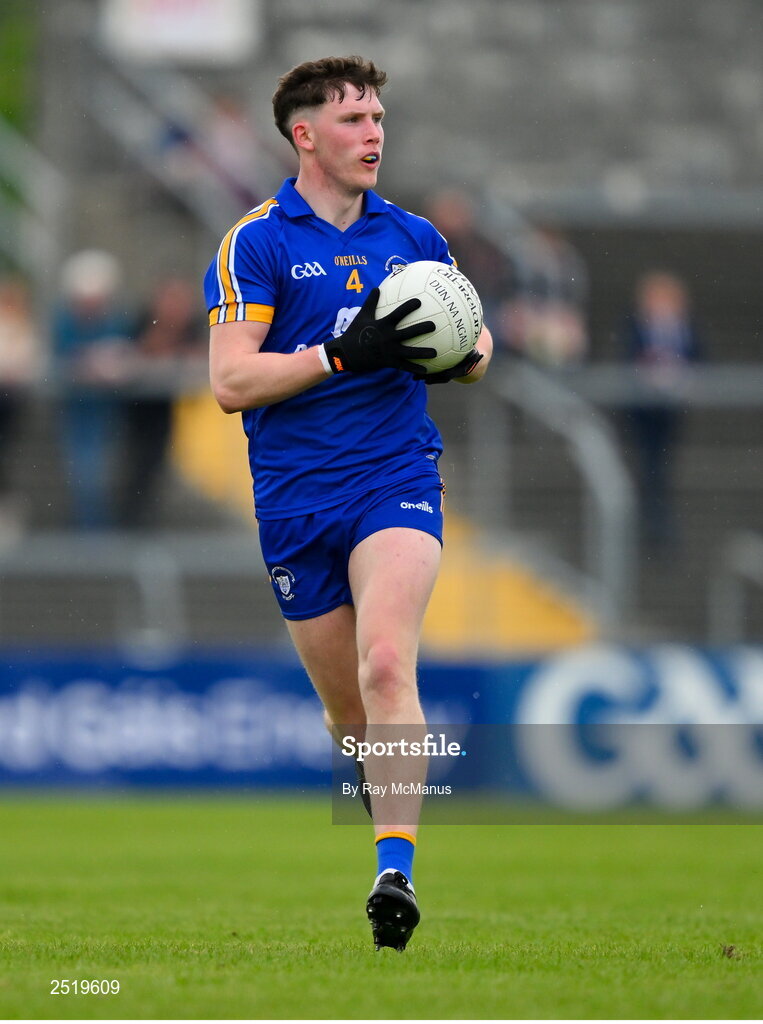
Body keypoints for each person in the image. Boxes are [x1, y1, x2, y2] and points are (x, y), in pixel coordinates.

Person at [205, 56, 492, 951]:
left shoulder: (411, 237)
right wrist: (343, 351)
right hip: (293, 500)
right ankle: (383, 813)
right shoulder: (256, 240)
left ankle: (394, 871)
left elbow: (477, 347)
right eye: (353, 119)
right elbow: (230, 381)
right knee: (348, 714)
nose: (374, 133)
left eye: (377, 117)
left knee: (384, 664)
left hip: (393, 475)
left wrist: (445, 351)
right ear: (304, 135)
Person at [117, 277, 207, 528]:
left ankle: (144, 521)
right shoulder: (144, 320)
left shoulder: (190, 326)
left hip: (168, 408)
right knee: (137, 465)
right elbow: (137, 353)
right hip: (138, 409)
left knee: (156, 464)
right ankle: (131, 521)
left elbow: (196, 357)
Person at [621, 270, 701, 550]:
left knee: (660, 468)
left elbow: (699, 357)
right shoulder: (637, 327)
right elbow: (629, 358)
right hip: (644, 412)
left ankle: (660, 529)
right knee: (649, 467)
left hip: (671, 411)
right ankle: (650, 528)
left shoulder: (685, 328)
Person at [53, 250, 131, 529]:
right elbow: (63, 360)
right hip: (79, 412)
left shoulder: (114, 321)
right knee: (85, 474)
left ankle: (102, 530)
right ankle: (90, 532)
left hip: (108, 413)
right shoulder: (65, 323)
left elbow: (124, 356)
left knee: (103, 473)